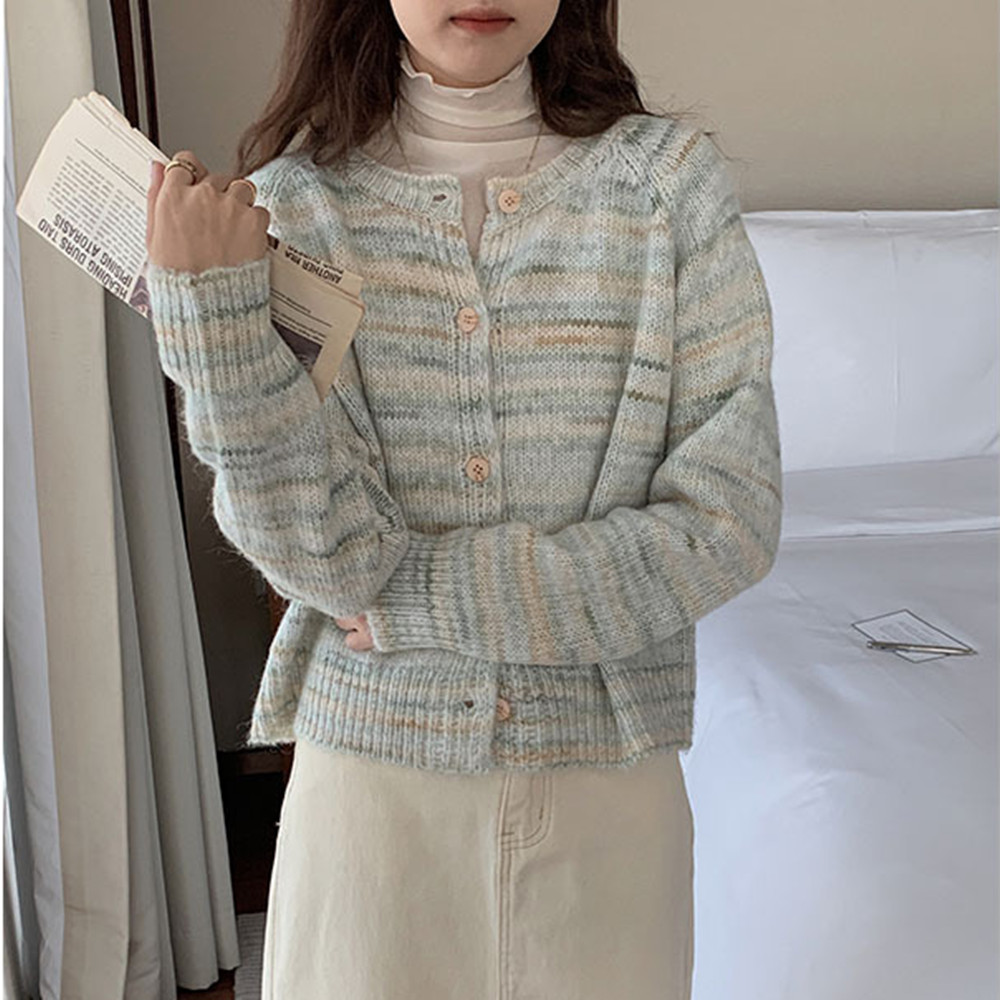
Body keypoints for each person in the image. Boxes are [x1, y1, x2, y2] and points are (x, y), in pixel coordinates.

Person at [144, 1, 783, 996]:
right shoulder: (293, 210)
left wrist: (420, 597)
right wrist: (214, 319)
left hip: (609, 799)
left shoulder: (668, 188)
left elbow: (727, 522)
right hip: (372, 801)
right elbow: (322, 562)